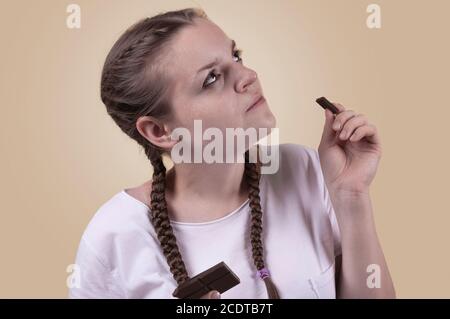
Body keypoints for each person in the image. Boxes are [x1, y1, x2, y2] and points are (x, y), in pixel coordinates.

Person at [69, 7, 395, 299]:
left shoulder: (306, 169)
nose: (248, 76)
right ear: (159, 131)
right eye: (212, 78)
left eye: (236, 56)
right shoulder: (113, 236)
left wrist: (351, 196)